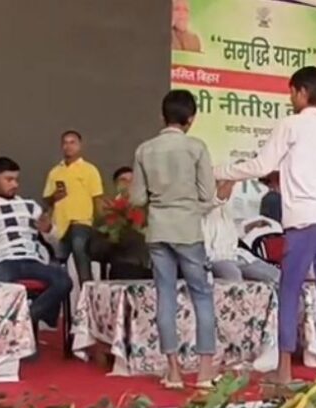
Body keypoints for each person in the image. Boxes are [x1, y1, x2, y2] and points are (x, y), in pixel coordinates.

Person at [215, 66, 316, 384]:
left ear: (302, 92)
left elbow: (262, 165)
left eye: (292, 92)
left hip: (305, 218)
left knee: (289, 290)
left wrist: (220, 171)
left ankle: (284, 370)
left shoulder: (292, 124)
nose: (290, 99)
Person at [131, 89, 217, 389]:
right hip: (188, 230)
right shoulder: (196, 147)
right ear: (191, 119)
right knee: (201, 295)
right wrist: (190, 207)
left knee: (165, 295)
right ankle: (205, 373)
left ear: (162, 117)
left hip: (158, 230)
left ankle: (174, 372)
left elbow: (137, 198)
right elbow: (208, 194)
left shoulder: (144, 150)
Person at [0, 157, 72, 330]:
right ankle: (21, 326)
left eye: (16, 179)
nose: (14, 184)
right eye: (8, 180)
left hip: (32, 260)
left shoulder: (30, 206)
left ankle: (26, 321)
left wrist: (48, 230)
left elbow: (56, 245)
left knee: (63, 280)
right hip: (2, 262)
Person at [43, 130, 104, 284]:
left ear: (80, 145)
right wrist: (54, 196)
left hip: (81, 221)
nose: (68, 146)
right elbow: (47, 199)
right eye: (65, 143)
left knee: (79, 250)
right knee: (57, 261)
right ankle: (59, 294)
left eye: (72, 142)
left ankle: (87, 289)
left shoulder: (90, 169)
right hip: (60, 225)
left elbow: (97, 198)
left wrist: (102, 224)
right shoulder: (55, 172)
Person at [205, 179, 281, 283]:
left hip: (236, 255)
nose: (230, 189)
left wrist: (250, 226)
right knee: (233, 277)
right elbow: (219, 197)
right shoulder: (203, 206)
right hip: (216, 258)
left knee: (276, 275)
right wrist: (231, 179)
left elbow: (232, 234)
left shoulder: (225, 210)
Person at [89, 167, 152, 279]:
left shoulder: (146, 206)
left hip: (144, 254)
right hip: (118, 255)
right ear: (116, 185)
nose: (128, 184)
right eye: (123, 180)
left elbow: (141, 227)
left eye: (132, 181)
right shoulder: (107, 206)